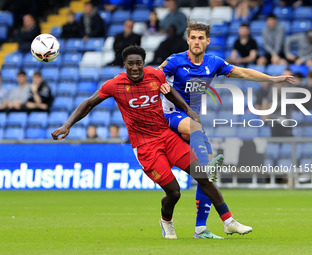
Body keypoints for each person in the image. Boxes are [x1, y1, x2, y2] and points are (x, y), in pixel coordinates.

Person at [51, 45, 253, 239]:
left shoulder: (155, 76)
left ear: (143, 63)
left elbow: (170, 92)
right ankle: (166, 221)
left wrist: (187, 110)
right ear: (125, 65)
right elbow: (88, 103)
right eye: (131, 64)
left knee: (203, 176)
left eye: (139, 63)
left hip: (167, 137)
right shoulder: (114, 85)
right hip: (146, 147)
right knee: (174, 193)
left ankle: (228, 221)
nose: (135, 67)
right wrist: (67, 125)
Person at [159, 20, 294, 238]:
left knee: (206, 177)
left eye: (200, 38)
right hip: (170, 116)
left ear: (207, 41)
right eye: (193, 37)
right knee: (197, 136)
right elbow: (153, 76)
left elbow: (244, 73)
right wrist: (157, 83)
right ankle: (208, 170)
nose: (196, 41)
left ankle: (200, 229)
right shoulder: (175, 61)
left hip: (192, 120)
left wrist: (272, 78)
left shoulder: (214, 63)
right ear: (188, 40)